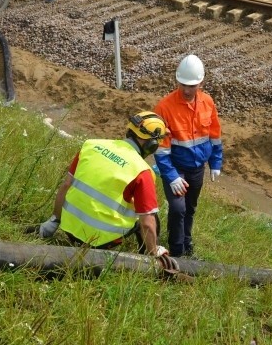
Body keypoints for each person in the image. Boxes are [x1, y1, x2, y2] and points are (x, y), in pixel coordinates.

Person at [37, 111, 175, 265]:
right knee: (150, 215)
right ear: (152, 144)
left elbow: (66, 185)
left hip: (69, 230)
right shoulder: (142, 171)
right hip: (99, 241)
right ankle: (147, 257)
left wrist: (54, 220)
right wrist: (154, 250)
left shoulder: (91, 145)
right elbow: (147, 222)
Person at [154, 54, 223, 258]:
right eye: (182, 84)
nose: (186, 90)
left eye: (191, 86)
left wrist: (216, 162)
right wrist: (171, 176)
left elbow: (215, 135)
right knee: (177, 209)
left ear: (201, 83)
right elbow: (161, 149)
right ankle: (177, 252)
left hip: (197, 168)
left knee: (190, 208)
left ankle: (186, 242)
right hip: (176, 167)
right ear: (176, 80)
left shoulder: (207, 103)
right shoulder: (164, 108)